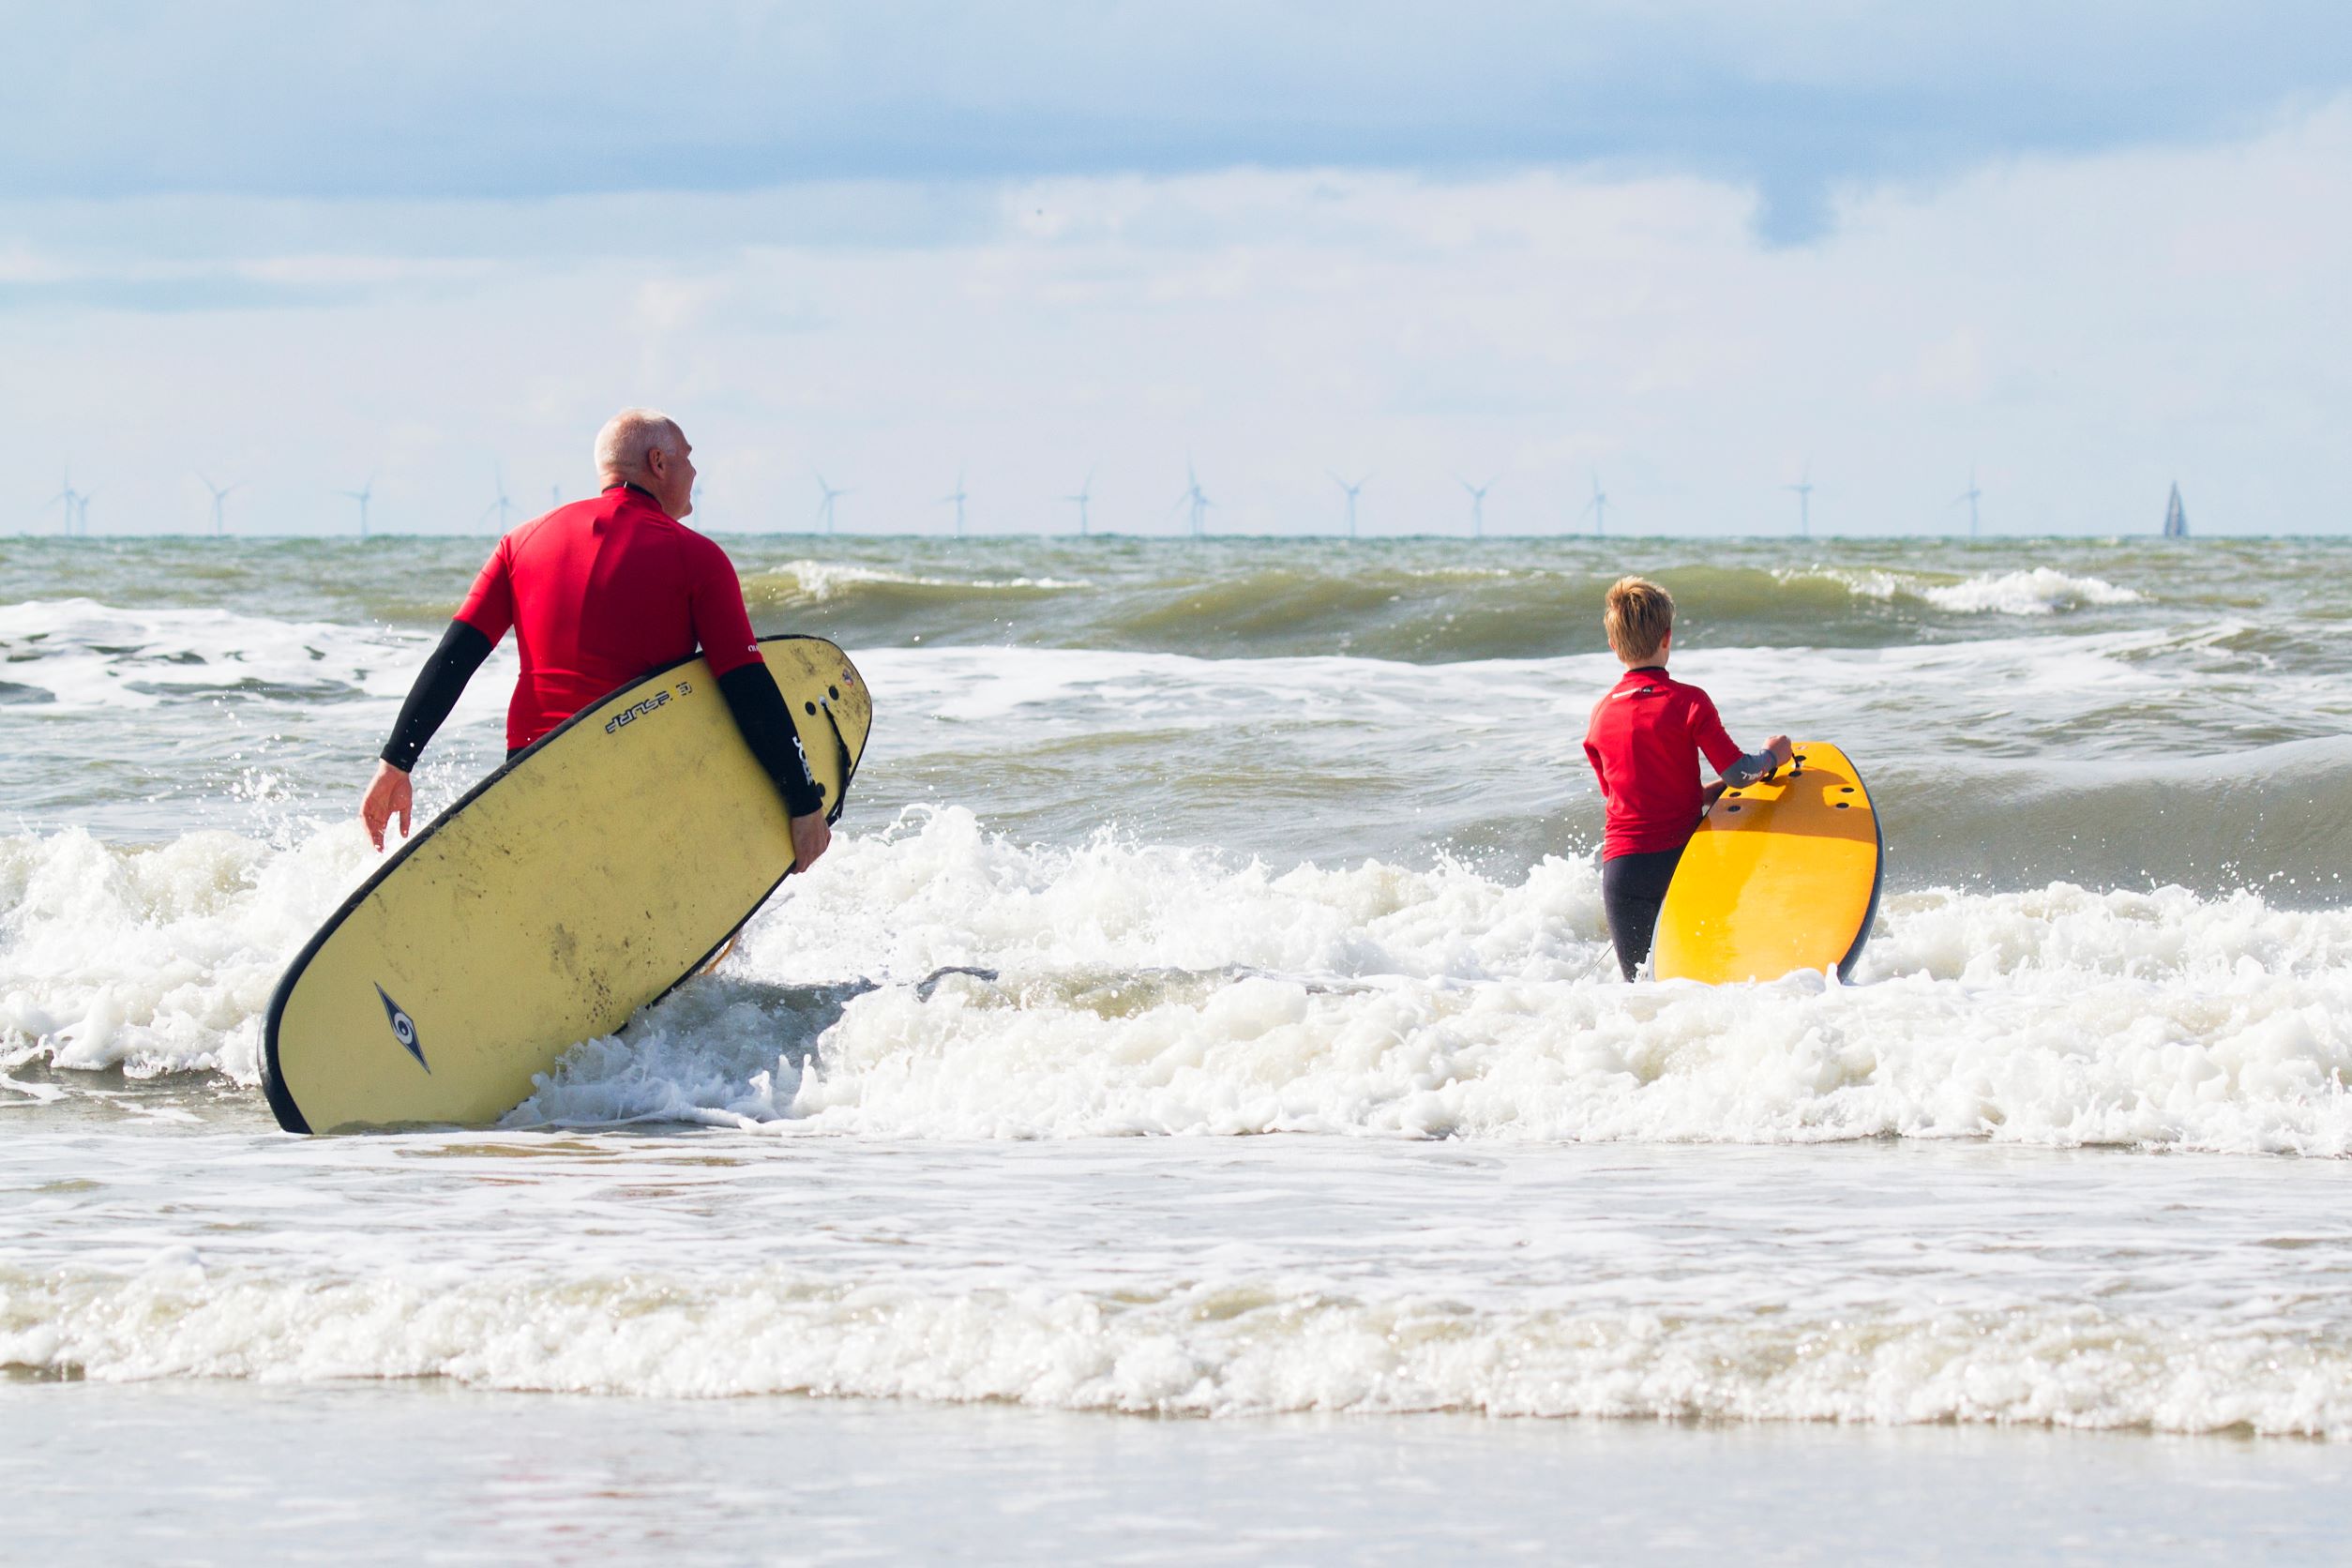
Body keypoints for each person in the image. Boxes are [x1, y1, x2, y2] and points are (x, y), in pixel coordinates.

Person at [358, 408, 831, 876]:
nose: (695, 472)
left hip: (528, 773)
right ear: (658, 463)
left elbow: (455, 658)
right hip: (634, 776)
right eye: (687, 457)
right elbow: (746, 686)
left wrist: (397, 762)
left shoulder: (520, 542)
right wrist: (803, 801)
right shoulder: (697, 557)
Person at [1582, 576, 1792, 980]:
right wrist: (1772, 756)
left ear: (1613, 646)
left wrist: (1707, 794)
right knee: (1706, 980)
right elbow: (1740, 772)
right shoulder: (1687, 700)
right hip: (1682, 862)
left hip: (1622, 871)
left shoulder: (1601, 713)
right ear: (1668, 637)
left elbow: (1624, 796)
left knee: (1641, 990)